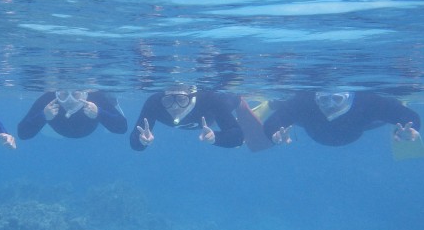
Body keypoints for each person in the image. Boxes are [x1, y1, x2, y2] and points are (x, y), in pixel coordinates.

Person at [263, 91, 421, 147]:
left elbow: (407, 117)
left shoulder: (368, 101)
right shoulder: (305, 102)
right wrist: (274, 132)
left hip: (358, 124)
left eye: (337, 99)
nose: (330, 105)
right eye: (324, 99)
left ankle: (275, 102)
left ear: (350, 97)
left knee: (391, 107)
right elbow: (273, 123)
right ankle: (275, 102)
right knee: (287, 106)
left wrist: (405, 130)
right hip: (313, 124)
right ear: (316, 97)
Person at [130, 86, 244, 151]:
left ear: (192, 97)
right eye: (169, 100)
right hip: (206, 120)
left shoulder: (210, 99)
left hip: (215, 113)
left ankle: (240, 101)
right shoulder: (154, 103)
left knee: (231, 100)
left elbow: (238, 138)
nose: (175, 106)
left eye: (182, 99)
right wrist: (141, 141)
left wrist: (216, 138)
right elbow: (135, 141)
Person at [17, 90, 128, 139]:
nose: (70, 101)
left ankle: (112, 100)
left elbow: (122, 127)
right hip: (55, 131)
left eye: (75, 95)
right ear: (56, 93)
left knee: (107, 97)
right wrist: (43, 116)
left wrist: (100, 113)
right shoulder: (49, 99)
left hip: (85, 127)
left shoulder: (95, 97)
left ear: (85, 93)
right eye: (63, 95)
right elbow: (22, 133)